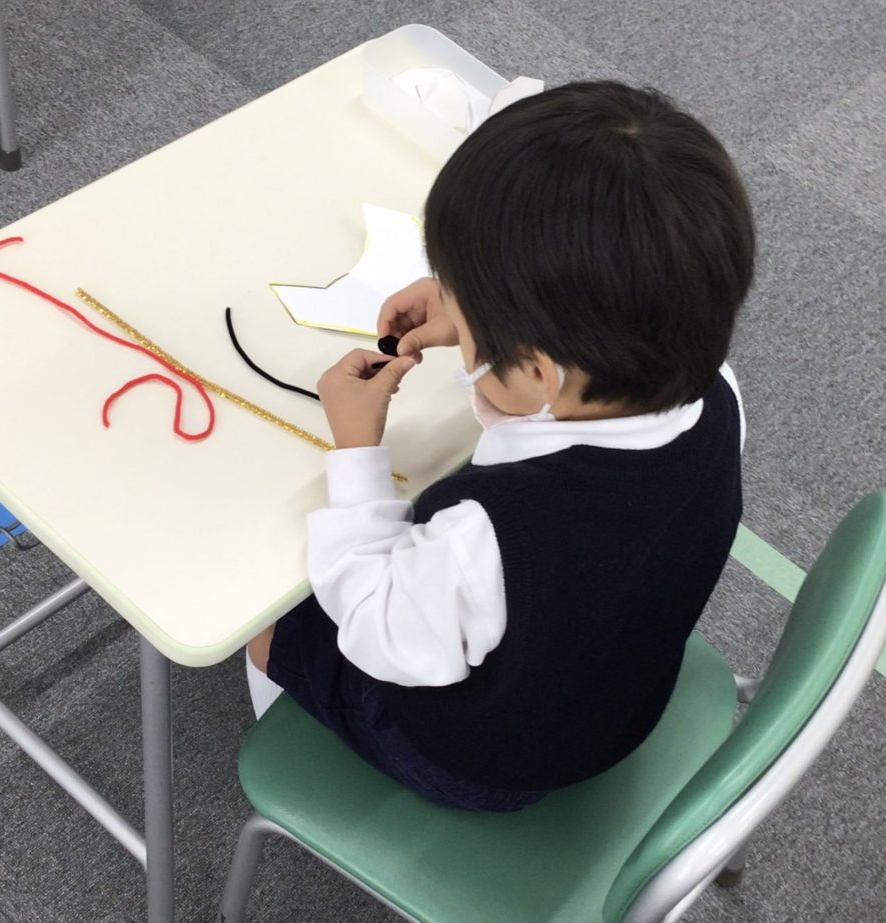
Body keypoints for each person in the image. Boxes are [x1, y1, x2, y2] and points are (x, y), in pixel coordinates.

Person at [246, 80, 754, 811]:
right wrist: (478, 312)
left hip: (485, 765)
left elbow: (378, 622)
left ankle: (331, 750)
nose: (453, 310)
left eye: (466, 300)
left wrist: (357, 453)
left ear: (540, 369)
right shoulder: (716, 392)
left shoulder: (488, 534)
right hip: (619, 703)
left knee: (268, 620)